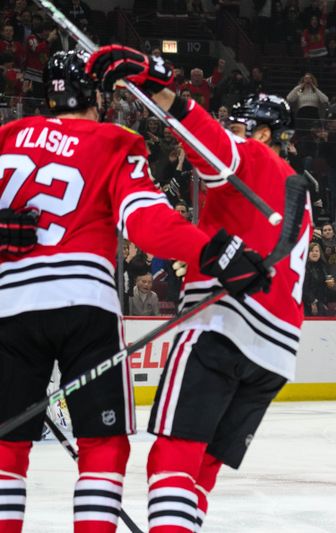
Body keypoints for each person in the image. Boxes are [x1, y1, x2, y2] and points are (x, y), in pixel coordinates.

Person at [0, 50, 264, 533]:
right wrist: (216, 253)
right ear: (97, 98)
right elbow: (147, 224)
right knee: (103, 444)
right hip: (85, 307)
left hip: (9, 308)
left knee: (5, 450)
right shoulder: (115, 140)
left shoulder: (5, 138)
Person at [87, 44, 312, 532]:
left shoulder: (254, 157)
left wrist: (163, 92)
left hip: (222, 326)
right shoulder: (299, 188)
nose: (236, 129)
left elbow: (209, 143)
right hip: (275, 357)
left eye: (243, 123)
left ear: (266, 132)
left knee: (171, 462)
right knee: (200, 477)